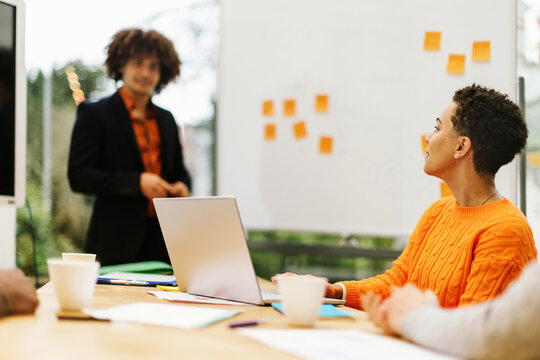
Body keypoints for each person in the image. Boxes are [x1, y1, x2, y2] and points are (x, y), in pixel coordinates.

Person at [273, 84, 536, 310]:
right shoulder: (438, 212)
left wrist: (403, 320)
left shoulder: (505, 230)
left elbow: (471, 331)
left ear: (461, 146)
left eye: (437, 128)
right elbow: (397, 282)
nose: (428, 138)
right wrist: (333, 292)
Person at [68, 28, 191, 266]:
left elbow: (180, 172)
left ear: (163, 72)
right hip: (113, 243)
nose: (145, 72)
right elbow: (79, 176)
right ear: (121, 65)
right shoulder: (95, 114)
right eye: (138, 63)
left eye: (154, 66)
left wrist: (183, 187)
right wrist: (137, 183)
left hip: (164, 243)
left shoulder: (167, 119)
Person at [361, 259, 540, 359]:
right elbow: (397, 277)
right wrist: (339, 291)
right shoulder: (436, 211)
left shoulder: (507, 225)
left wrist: (414, 318)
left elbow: (498, 332)